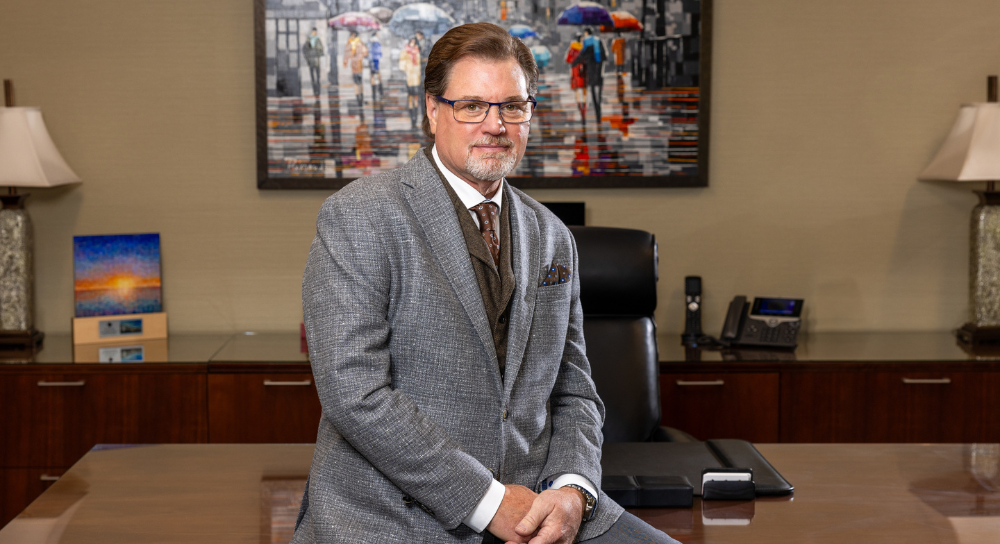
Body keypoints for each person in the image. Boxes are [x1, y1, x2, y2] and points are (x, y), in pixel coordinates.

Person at [294, 21, 679, 544]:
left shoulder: (552, 236)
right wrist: (487, 501)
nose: (494, 125)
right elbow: (355, 394)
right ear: (433, 110)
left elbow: (575, 390)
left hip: (537, 507)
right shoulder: (360, 216)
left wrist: (573, 488)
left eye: (512, 106)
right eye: (472, 105)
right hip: (394, 516)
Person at [571, 27, 607, 124]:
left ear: (586, 33)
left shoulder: (586, 42)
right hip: (599, 70)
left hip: (591, 70)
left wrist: (574, 63)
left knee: (593, 90)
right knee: (598, 92)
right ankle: (598, 113)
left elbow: (582, 55)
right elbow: (604, 56)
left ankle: (597, 112)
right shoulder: (599, 41)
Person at [399, 37, 422, 129]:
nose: (413, 43)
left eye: (414, 42)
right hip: (409, 76)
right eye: (411, 41)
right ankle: (411, 113)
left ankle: (415, 116)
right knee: (410, 96)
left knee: (416, 96)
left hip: (416, 77)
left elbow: (419, 63)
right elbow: (402, 62)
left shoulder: (417, 51)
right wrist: (406, 67)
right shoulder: (405, 51)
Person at [565, 33, 587, 123]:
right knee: (584, 87)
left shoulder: (572, 48)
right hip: (583, 69)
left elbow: (568, 59)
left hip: (575, 70)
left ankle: (579, 105)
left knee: (577, 89)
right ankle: (584, 106)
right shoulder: (584, 48)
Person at [343, 31, 368, 108]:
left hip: (354, 66)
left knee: (356, 83)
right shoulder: (360, 43)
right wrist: (361, 56)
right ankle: (361, 97)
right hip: (359, 65)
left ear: (353, 35)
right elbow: (365, 53)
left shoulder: (349, 43)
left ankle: (358, 98)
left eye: (351, 35)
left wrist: (345, 62)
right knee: (360, 82)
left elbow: (346, 53)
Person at [302, 28, 324, 97]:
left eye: (315, 32)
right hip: (310, 61)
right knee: (312, 78)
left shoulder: (318, 40)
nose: (314, 33)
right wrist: (307, 57)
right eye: (313, 32)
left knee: (317, 77)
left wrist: (317, 53)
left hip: (317, 61)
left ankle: (318, 91)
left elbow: (321, 50)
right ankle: (315, 91)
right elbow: (305, 50)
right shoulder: (308, 40)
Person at [369, 34, 383, 104]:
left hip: (372, 61)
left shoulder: (370, 43)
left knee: (373, 76)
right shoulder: (377, 43)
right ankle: (379, 92)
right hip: (376, 61)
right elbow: (380, 54)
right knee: (377, 76)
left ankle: (374, 93)